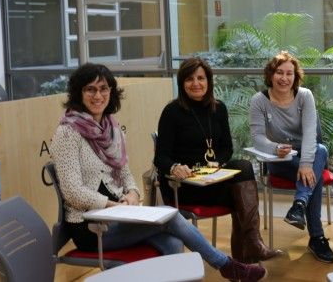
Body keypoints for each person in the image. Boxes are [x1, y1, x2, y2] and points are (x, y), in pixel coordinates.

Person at [50, 63, 266, 282]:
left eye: (103, 89)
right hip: (91, 228)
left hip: (121, 216)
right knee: (170, 216)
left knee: (172, 241)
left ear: (111, 92)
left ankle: (220, 268)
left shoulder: (112, 128)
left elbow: (125, 174)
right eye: (90, 89)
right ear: (79, 93)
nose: (98, 95)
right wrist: (114, 206)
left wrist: (132, 194)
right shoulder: (67, 133)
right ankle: (226, 265)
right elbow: (72, 192)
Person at [154, 57, 280, 263]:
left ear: (209, 81)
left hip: (212, 180)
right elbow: (160, 157)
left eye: (201, 78)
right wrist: (175, 167)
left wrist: (217, 163)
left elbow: (227, 148)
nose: (196, 83)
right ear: (182, 83)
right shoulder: (172, 112)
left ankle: (252, 245)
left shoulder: (218, 108)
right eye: (190, 79)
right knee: (241, 197)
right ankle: (248, 255)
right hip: (185, 185)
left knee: (243, 167)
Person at [249, 51, 333, 263]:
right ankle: (316, 237)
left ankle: (299, 205)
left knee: (320, 151)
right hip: (280, 159)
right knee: (315, 172)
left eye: (289, 73)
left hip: (308, 154)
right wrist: (275, 148)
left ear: (295, 77)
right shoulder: (259, 101)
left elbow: (310, 134)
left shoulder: (305, 96)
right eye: (279, 72)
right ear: (271, 74)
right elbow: (257, 137)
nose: (284, 78)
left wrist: (305, 163)